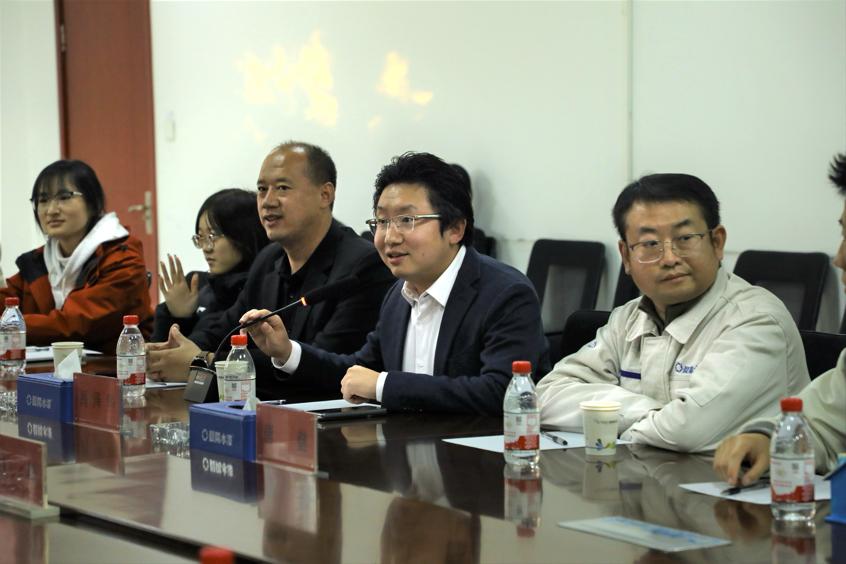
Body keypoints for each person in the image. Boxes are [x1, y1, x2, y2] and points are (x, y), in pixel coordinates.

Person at [241, 151, 548, 415]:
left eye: (406, 220)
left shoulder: (505, 294)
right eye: (382, 221)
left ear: (455, 229)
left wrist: (384, 385)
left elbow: (503, 392)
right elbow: (359, 371)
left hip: (480, 458)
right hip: (407, 452)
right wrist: (286, 352)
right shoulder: (398, 296)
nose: (390, 237)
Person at [536, 173, 809, 452]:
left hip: (736, 480)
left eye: (685, 238)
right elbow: (544, 398)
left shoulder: (755, 321)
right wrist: (655, 415)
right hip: (644, 474)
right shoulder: (628, 318)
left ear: (717, 242)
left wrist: (605, 417)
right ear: (626, 256)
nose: (669, 258)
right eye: (649, 244)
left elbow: (686, 431)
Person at [147, 142, 394, 399]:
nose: (267, 202)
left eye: (282, 188)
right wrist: (173, 352)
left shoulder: (363, 265)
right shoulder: (269, 259)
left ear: (325, 195)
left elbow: (324, 369)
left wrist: (202, 361)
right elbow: (225, 329)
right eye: (262, 189)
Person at [714, 153, 846, 484]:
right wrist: (769, 438)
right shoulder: (628, 316)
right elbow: (823, 426)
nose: (840, 258)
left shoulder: (754, 315)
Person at [0, 159, 152, 352]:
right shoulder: (39, 261)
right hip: (52, 366)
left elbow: (77, 324)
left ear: (93, 203)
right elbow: (8, 304)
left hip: (116, 365)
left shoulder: (123, 257)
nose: (51, 210)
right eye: (43, 200)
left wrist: (10, 327)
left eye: (64, 197)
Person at [152, 188, 269, 342]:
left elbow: (206, 347)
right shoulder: (196, 285)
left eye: (213, 236)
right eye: (201, 236)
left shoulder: (262, 290)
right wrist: (177, 316)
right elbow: (157, 350)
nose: (206, 248)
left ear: (244, 234)